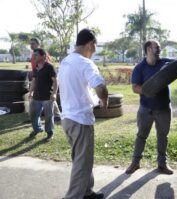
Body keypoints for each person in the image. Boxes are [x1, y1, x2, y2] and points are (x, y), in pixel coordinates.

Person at [58, 28, 108, 199]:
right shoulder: (85, 63)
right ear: (90, 44)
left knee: (82, 159)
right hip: (80, 120)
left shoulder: (65, 61)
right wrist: (105, 101)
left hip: (68, 119)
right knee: (82, 162)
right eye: (95, 46)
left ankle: (86, 192)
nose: (95, 50)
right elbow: (100, 87)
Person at [125, 40, 174, 175]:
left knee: (163, 136)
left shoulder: (164, 63)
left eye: (159, 48)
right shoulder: (139, 68)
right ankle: (135, 163)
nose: (159, 50)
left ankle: (162, 164)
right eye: (156, 47)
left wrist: (170, 68)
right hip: (145, 109)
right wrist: (148, 91)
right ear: (148, 49)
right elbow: (135, 88)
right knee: (141, 136)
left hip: (163, 108)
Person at [28, 48, 57, 142]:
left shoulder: (50, 67)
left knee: (48, 116)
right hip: (36, 96)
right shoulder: (35, 67)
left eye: (36, 55)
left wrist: (54, 93)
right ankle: (37, 129)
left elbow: (55, 81)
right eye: (33, 55)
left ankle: (50, 132)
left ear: (43, 56)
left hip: (47, 97)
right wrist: (31, 92)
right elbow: (34, 81)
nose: (34, 57)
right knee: (33, 115)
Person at [29, 38, 61, 121]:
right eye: (30, 44)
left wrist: (48, 76)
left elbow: (48, 65)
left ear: (37, 44)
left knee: (48, 97)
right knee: (44, 97)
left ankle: (57, 115)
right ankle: (54, 114)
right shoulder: (34, 54)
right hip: (37, 74)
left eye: (33, 43)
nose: (31, 45)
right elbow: (35, 66)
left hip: (46, 76)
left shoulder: (43, 53)